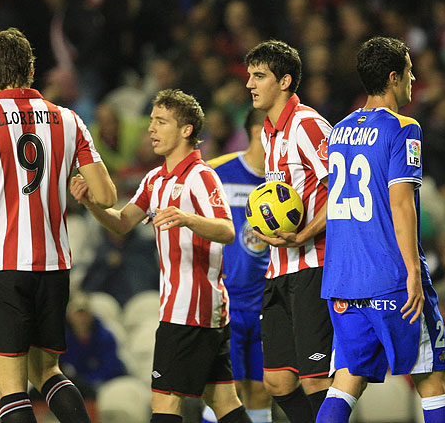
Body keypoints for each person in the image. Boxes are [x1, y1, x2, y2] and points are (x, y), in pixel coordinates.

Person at [0, 28, 116, 423]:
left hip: (3, 265)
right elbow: (106, 196)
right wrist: (82, 192)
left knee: (11, 389)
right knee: (47, 372)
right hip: (53, 265)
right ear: (32, 69)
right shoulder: (69, 120)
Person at [70, 89, 253, 423]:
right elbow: (122, 222)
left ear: (186, 130)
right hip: (186, 307)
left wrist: (188, 218)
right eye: (152, 121)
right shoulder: (155, 179)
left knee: (165, 403)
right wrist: (91, 204)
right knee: (223, 400)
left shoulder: (201, 176)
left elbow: (227, 230)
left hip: (191, 308)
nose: (151, 129)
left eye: (161, 121)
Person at [318, 36, 445, 423]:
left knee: (346, 381)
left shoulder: (338, 131)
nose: (414, 80)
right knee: (435, 379)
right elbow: (400, 203)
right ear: (394, 77)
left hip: (343, 281)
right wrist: (413, 270)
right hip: (390, 278)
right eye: (410, 72)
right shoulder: (403, 128)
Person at [244, 40, 334, 423]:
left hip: (314, 266)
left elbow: (342, 189)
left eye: (259, 76)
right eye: (249, 75)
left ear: (284, 81)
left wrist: (305, 234)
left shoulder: (307, 124)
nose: (249, 84)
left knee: (315, 379)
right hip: (279, 268)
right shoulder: (268, 132)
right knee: (278, 381)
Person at [202, 108, 272, 423]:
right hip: (227, 301)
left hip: (267, 301)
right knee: (226, 392)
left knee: (263, 389)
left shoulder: (283, 183)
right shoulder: (218, 172)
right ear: (258, 132)